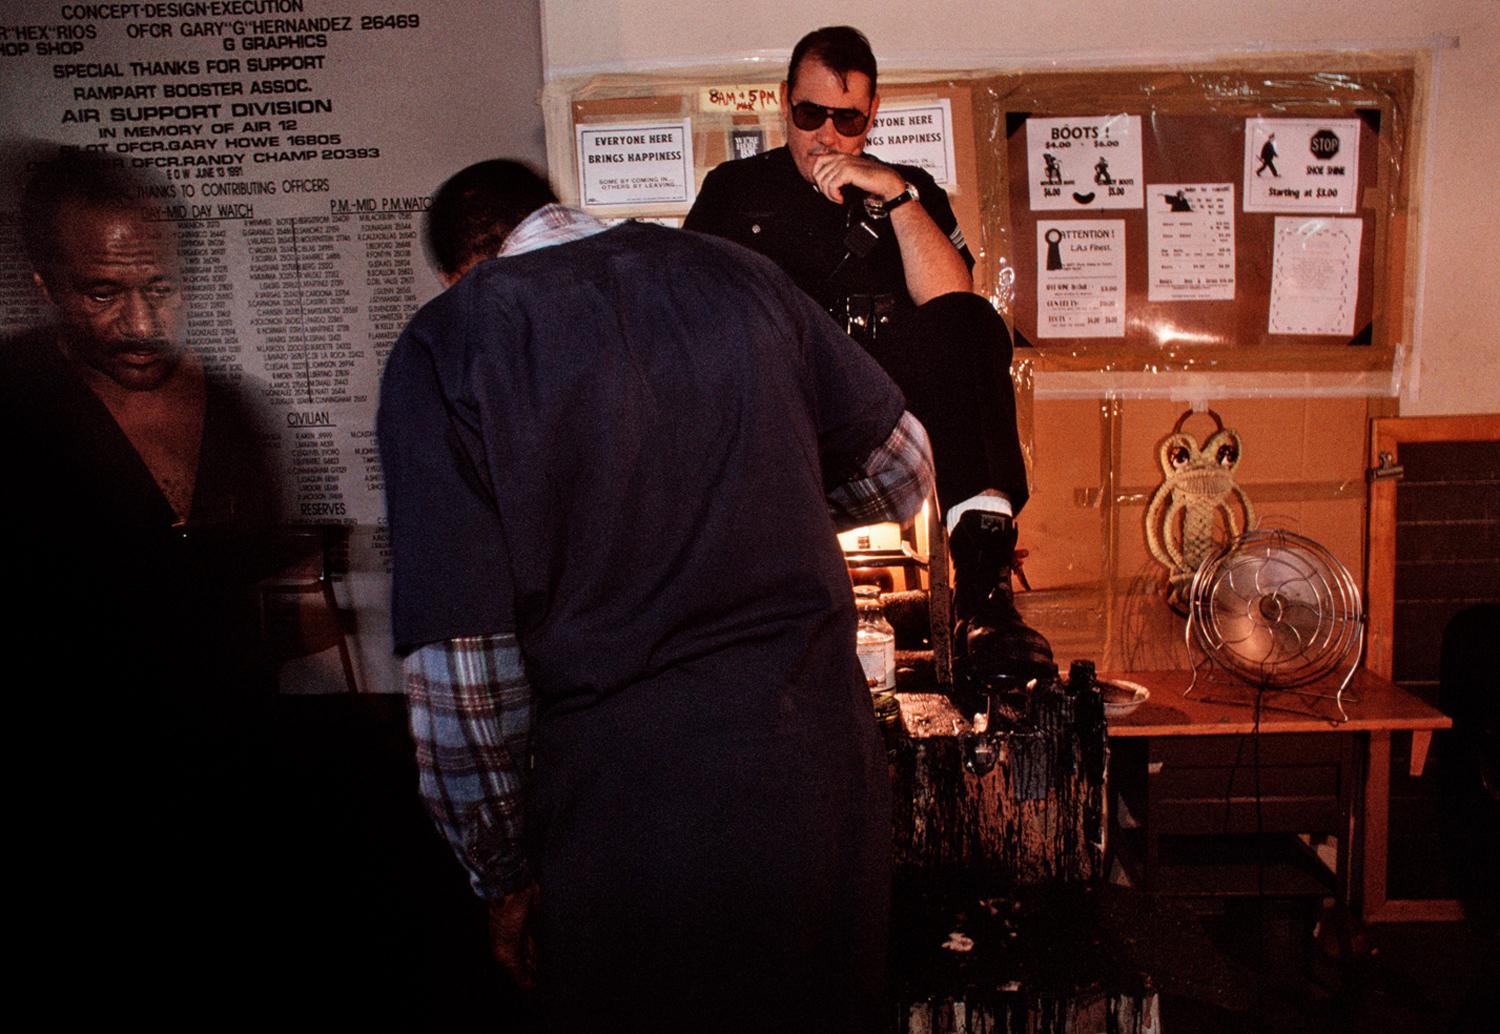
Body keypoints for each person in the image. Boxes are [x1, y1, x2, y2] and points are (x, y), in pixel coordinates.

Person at [377, 160, 935, 1031]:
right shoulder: (739, 275)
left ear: (465, 268)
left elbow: (464, 677)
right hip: (820, 786)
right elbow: (905, 471)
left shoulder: (451, 342)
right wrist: (772, 492)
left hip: (630, 819)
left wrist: (502, 875)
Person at [684, 25, 1053, 691]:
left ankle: (986, 591)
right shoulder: (735, 191)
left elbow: (952, 305)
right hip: (780, 412)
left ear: (871, 115)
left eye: (847, 119)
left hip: (881, 410)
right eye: (809, 114)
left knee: (973, 321)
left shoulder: (905, 188)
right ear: (782, 103)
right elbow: (691, 315)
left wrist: (897, 196)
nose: (826, 136)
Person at [2, 151, 281, 1008]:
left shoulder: (233, 411)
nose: (138, 321)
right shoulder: (10, 408)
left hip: (226, 827)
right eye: (102, 293)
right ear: (48, 286)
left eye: (160, 288)